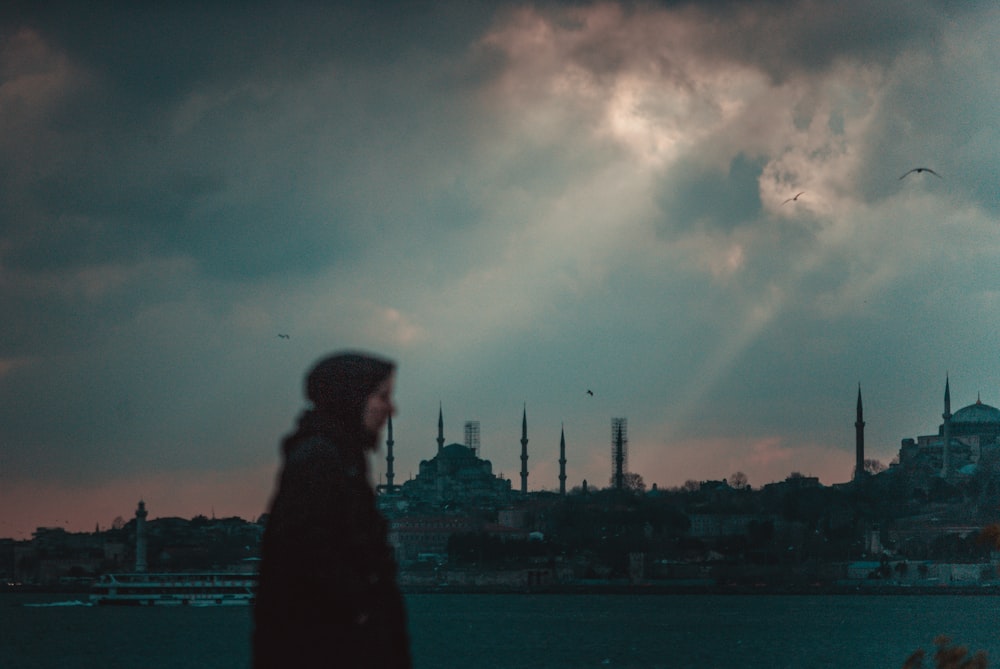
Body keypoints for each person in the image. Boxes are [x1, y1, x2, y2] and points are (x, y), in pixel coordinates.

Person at [252, 351, 411, 668]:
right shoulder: (321, 460)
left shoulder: (342, 457)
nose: (391, 408)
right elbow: (307, 556)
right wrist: (362, 611)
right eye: (381, 396)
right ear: (352, 398)